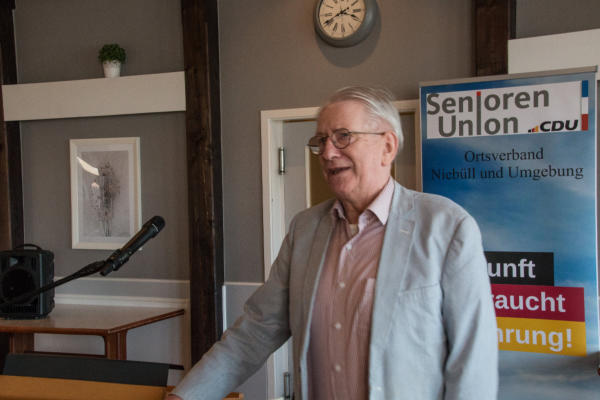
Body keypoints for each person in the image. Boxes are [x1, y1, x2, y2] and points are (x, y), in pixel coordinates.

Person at [168, 86, 498, 400]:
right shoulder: (304, 229)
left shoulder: (446, 226)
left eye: (343, 137)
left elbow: (473, 361)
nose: (327, 153)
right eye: (321, 141)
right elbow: (255, 332)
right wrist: (187, 394)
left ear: (387, 147)